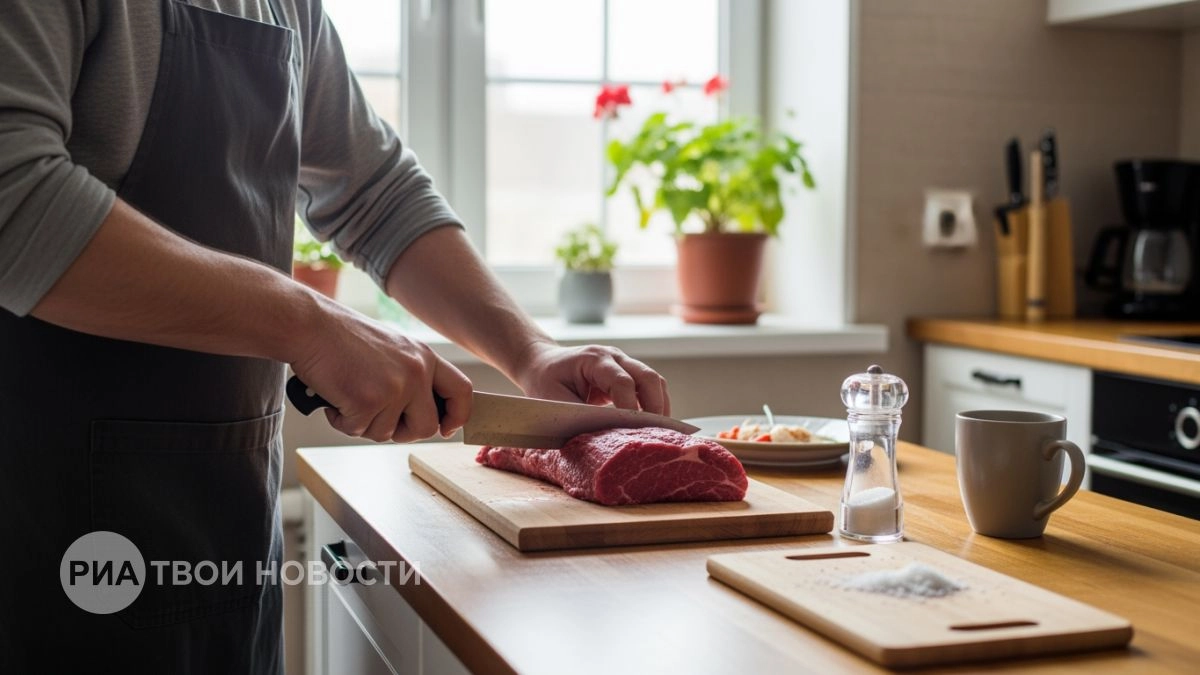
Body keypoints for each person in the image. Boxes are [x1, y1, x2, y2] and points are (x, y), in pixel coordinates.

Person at [0, 1, 670, 672]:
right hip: (45, 540)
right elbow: (16, 196)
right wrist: (310, 325)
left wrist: (531, 351)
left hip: (226, 527)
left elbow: (377, 193)